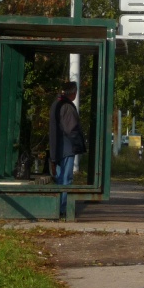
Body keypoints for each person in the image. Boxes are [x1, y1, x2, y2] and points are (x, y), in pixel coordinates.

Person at [49, 81, 86, 219]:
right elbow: (71, 129)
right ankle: (63, 209)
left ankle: (57, 208)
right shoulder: (67, 107)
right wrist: (78, 144)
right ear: (73, 92)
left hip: (57, 148)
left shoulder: (56, 104)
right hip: (67, 147)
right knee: (66, 179)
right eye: (76, 91)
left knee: (60, 179)